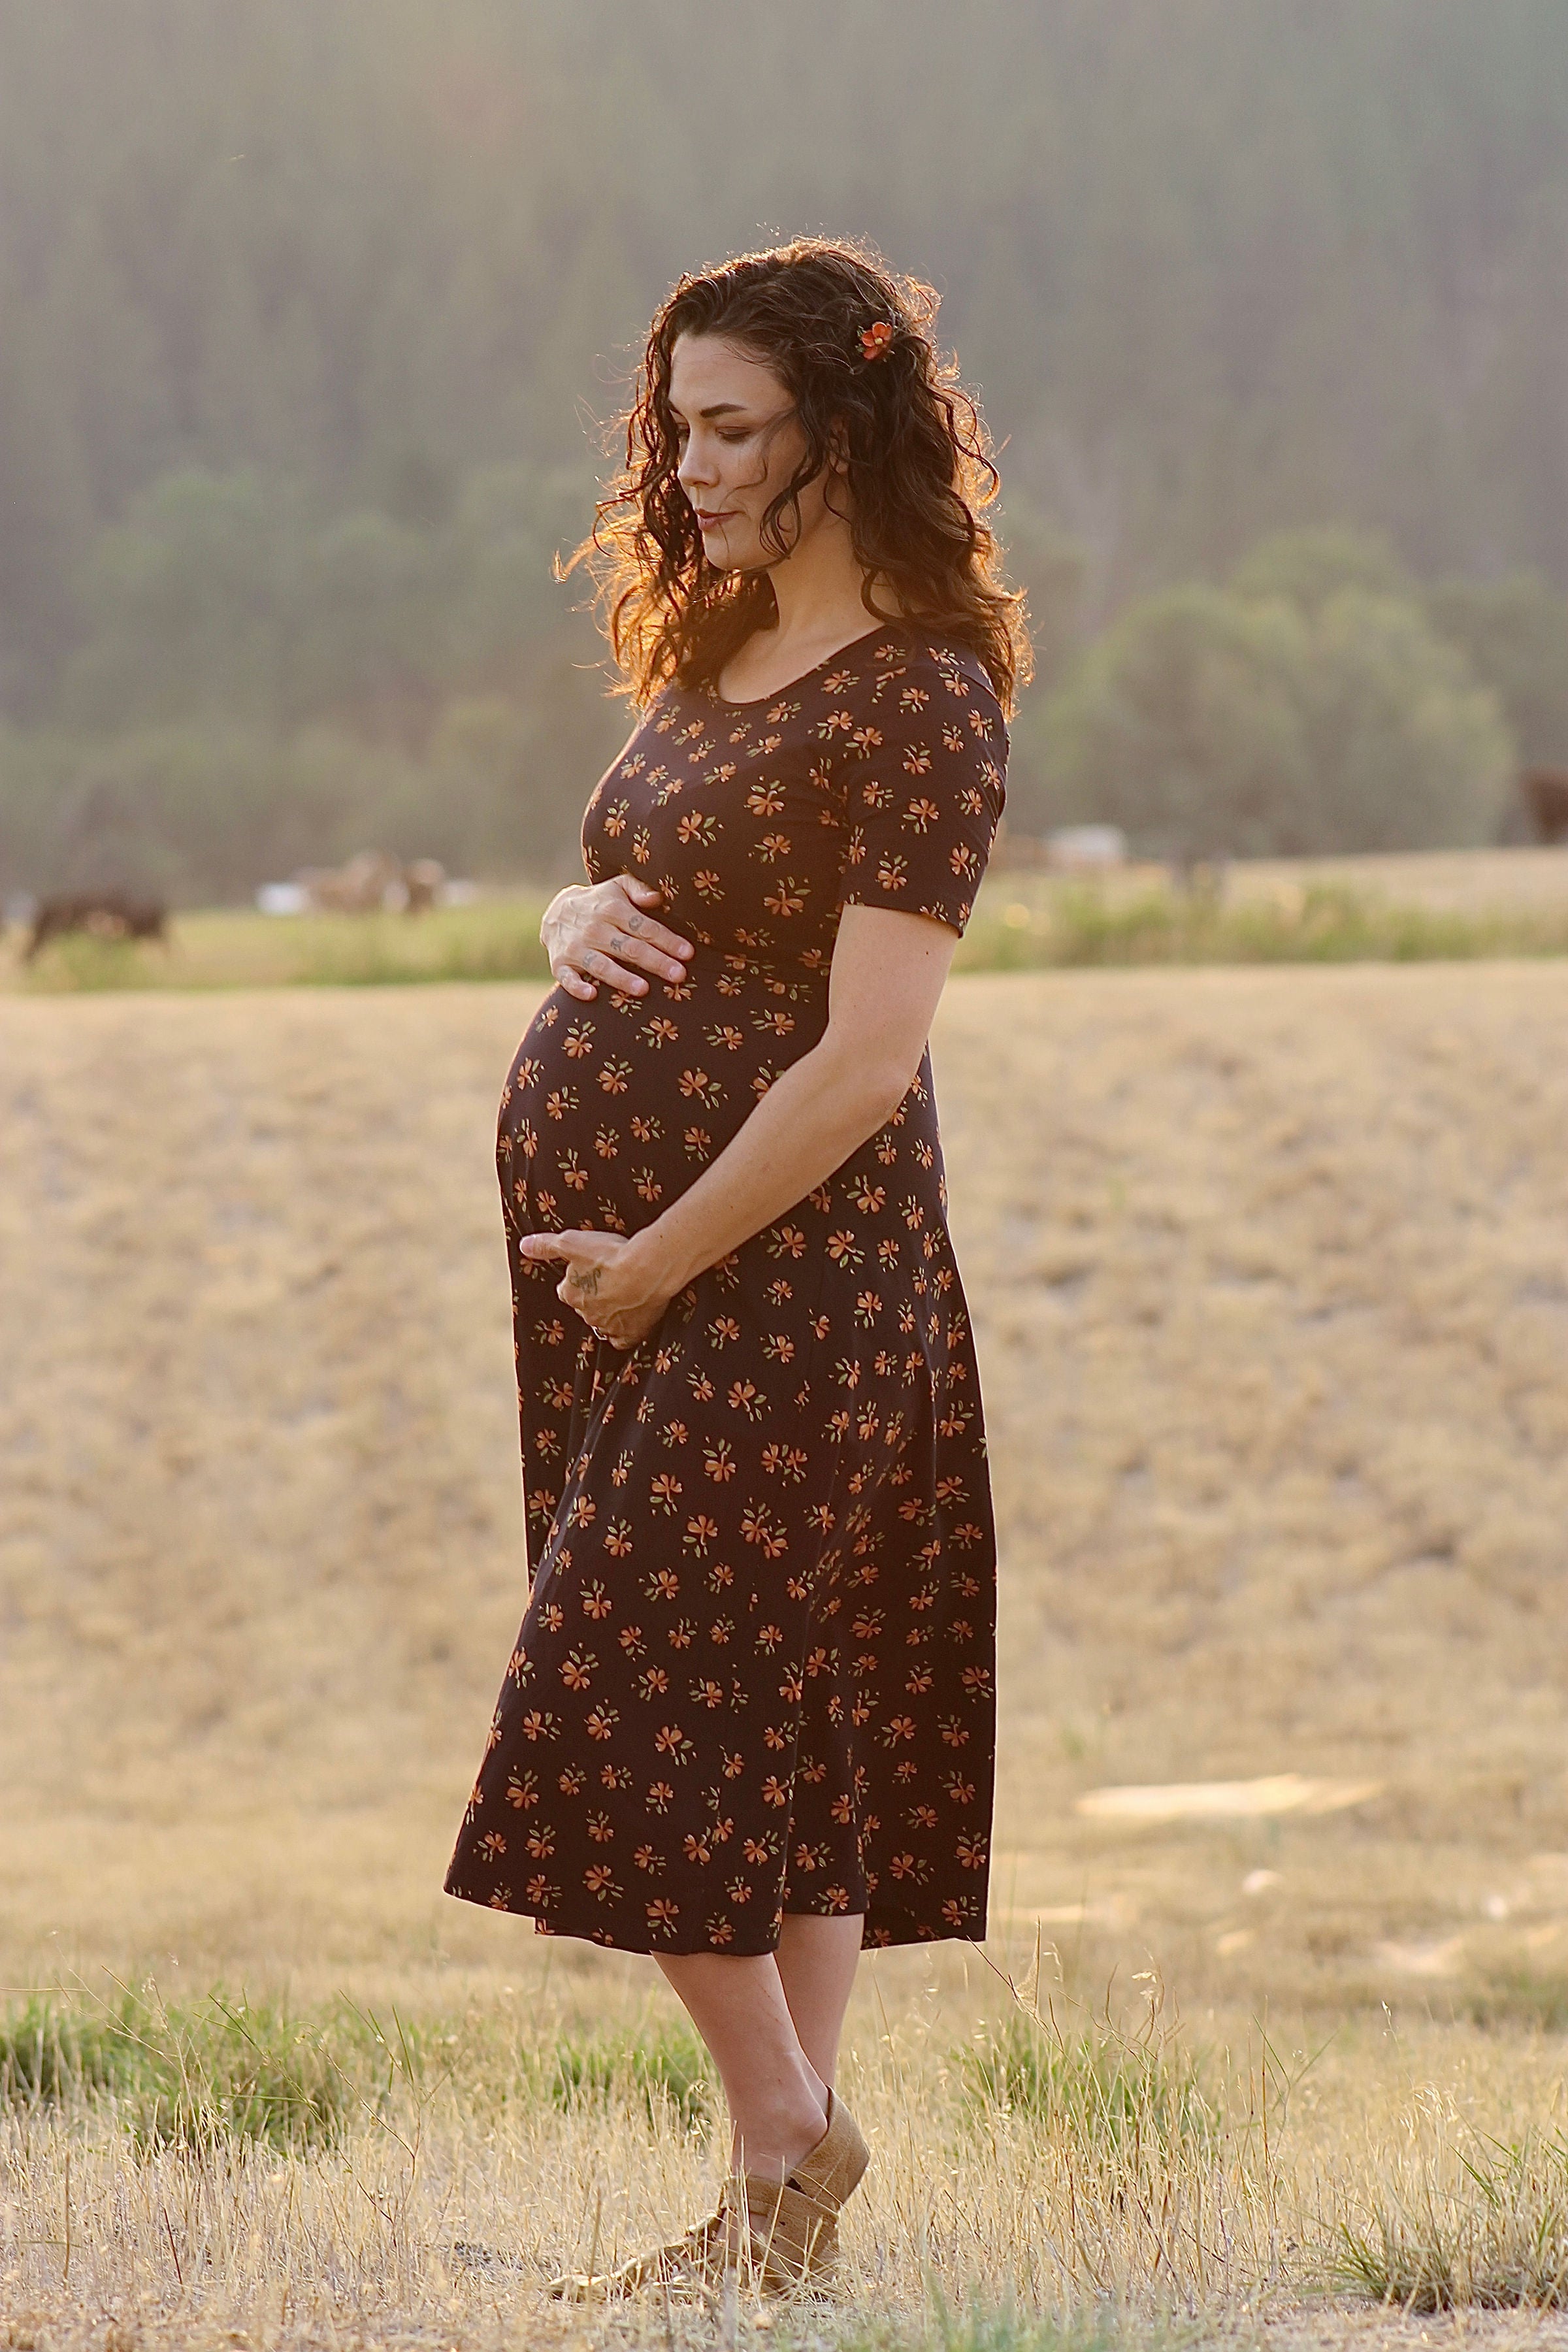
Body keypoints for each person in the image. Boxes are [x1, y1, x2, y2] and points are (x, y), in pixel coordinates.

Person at [445, 237, 1030, 2298]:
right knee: (770, 1727)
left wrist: (662, 1266)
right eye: (672, 426)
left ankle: (795, 2129)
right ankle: (776, 2222)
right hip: (641, 1275)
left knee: (623, 1700)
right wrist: (555, 926)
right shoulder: (711, 652)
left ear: (839, 431)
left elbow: (872, 1055)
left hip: (792, 1274)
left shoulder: (925, 699)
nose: (685, 464)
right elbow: (629, 876)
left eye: (730, 428)